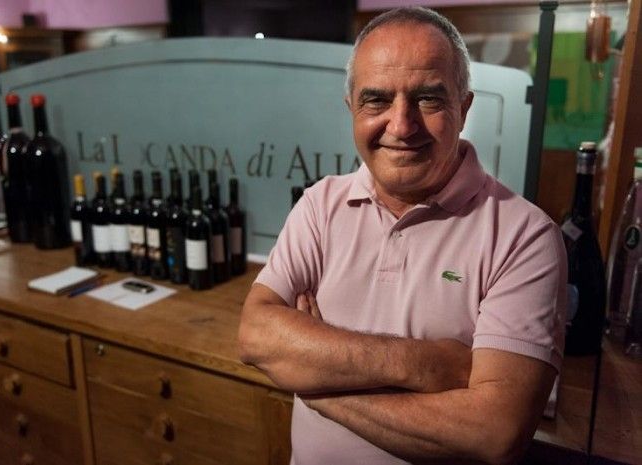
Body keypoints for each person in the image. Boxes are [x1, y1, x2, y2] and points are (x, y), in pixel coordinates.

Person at [238, 7, 566, 465]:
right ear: (352, 109)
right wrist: (429, 365)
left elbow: (495, 432)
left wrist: (316, 386)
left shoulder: (525, 237)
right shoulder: (320, 204)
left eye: (428, 99)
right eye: (376, 100)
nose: (401, 125)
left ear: (464, 108)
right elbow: (255, 335)